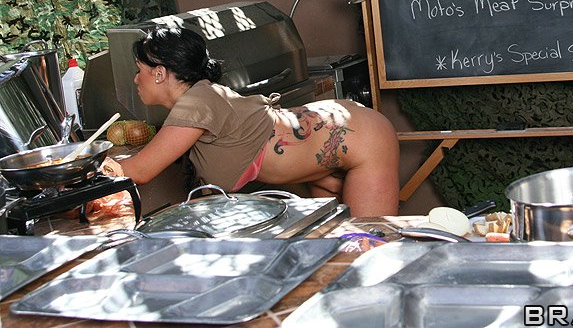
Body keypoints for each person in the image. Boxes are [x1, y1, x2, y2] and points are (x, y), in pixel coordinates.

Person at [102, 26, 400, 218]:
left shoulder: (197, 103)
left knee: (368, 246)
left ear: (159, 73)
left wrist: (84, 165)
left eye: (139, 69)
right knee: (335, 250)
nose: (135, 79)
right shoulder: (199, 101)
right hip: (330, 146)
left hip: (364, 138)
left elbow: (140, 171)